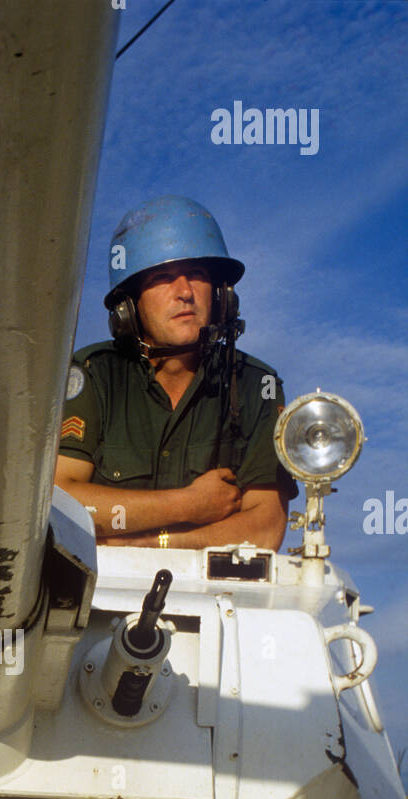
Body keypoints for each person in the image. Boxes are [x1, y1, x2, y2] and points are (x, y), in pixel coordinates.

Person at [55, 196, 296, 551]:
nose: (184, 292)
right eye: (163, 277)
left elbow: (265, 529)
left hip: (215, 598)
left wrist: (154, 543)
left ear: (222, 295)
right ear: (128, 306)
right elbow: (60, 502)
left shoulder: (255, 385)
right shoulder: (93, 376)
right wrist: (189, 504)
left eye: (197, 275)